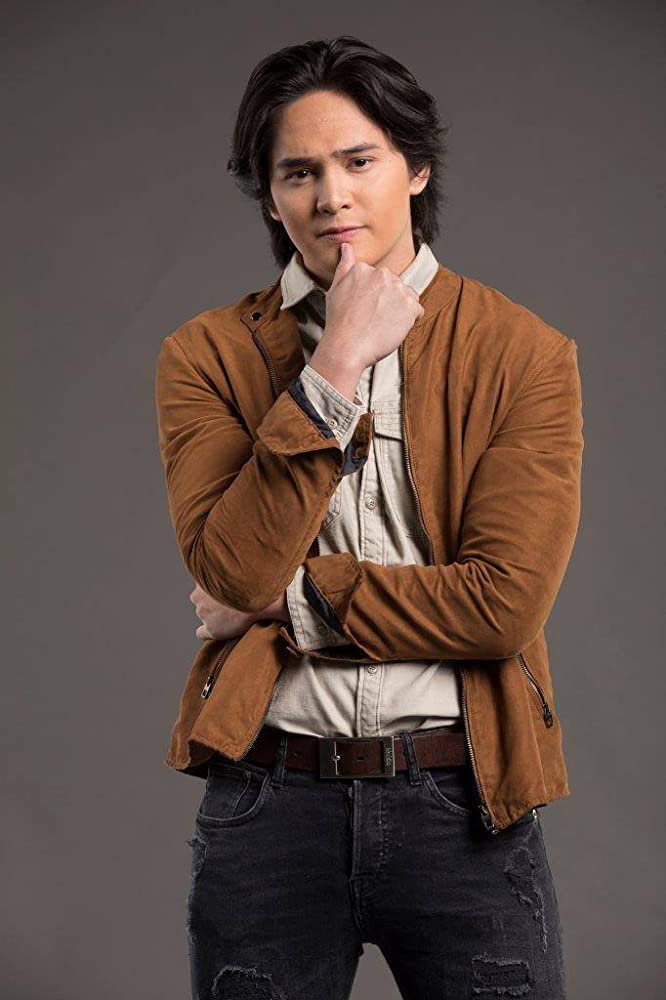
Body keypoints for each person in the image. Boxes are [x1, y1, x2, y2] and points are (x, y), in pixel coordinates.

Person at [154, 35, 583, 1000]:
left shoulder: (524, 353)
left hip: (464, 801)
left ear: (415, 168)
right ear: (270, 197)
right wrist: (336, 363)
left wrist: (289, 604)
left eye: (359, 161)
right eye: (298, 172)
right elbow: (232, 572)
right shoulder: (206, 355)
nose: (331, 197)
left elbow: (503, 607)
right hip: (268, 801)